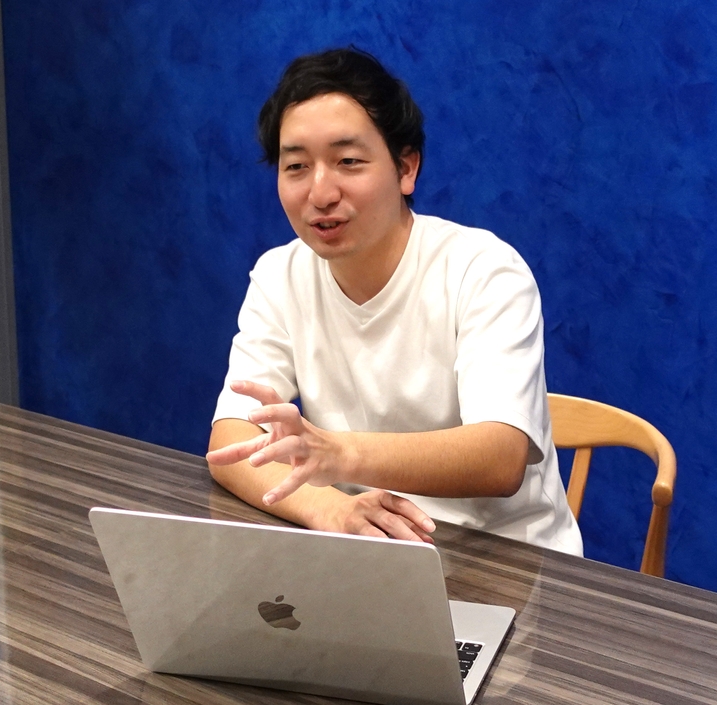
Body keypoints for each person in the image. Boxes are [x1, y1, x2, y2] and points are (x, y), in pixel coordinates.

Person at [206, 47, 582, 555]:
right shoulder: (280, 275)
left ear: (406, 168)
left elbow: (500, 456)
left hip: (506, 558)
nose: (321, 192)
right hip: (370, 551)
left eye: (348, 162)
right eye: (296, 166)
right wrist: (328, 508)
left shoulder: (484, 270)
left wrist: (339, 454)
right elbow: (230, 442)